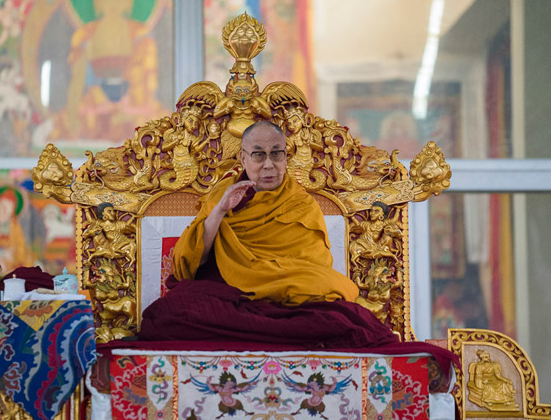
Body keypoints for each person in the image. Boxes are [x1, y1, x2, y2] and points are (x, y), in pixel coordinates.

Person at [137, 121, 457, 375]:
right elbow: (191, 265)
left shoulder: (302, 205)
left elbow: (313, 272)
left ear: (286, 158)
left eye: (277, 153)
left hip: (292, 303)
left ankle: (270, 330)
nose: (268, 164)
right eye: (258, 154)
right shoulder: (222, 197)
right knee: (167, 313)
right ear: (244, 158)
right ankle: (276, 332)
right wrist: (220, 211)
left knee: (345, 317)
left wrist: (278, 282)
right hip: (236, 300)